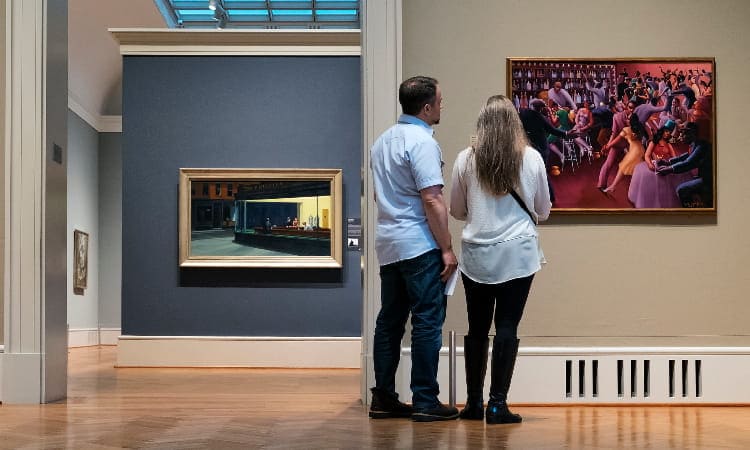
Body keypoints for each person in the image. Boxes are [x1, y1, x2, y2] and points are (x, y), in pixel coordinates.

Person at [450, 95, 551, 424]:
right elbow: (544, 210)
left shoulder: (466, 159)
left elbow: (457, 210)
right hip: (518, 253)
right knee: (507, 325)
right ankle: (497, 404)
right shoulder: (532, 158)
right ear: (515, 125)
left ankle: (473, 404)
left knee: (476, 328)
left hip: (476, 254)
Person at [369, 76, 459, 422]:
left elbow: (380, 196)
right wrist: (447, 248)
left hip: (388, 243)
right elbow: (432, 198)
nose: (441, 105)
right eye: (439, 100)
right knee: (426, 321)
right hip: (418, 244)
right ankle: (425, 399)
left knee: (389, 322)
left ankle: (384, 397)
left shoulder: (382, 142)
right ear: (426, 107)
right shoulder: (422, 142)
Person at [518, 99, 568, 202]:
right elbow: (552, 130)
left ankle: (532, 197)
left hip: (530, 146)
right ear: (540, 108)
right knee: (542, 172)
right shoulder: (540, 117)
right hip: (541, 147)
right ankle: (551, 197)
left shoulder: (523, 113)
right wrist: (566, 134)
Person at [656, 121, 713, 207]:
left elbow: (688, 163)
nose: (680, 136)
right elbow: (685, 156)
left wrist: (670, 169)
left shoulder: (701, 146)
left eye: (683, 134)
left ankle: (692, 212)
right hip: (704, 176)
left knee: (681, 190)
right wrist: (668, 162)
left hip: (708, 180)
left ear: (691, 134)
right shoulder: (695, 143)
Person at [601, 114, 647, 194]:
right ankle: (613, 186)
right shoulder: (640, 127)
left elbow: (616, 140)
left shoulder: (626, 129)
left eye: (628, 119)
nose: (626, 120)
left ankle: (614, 187)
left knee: (625, 168)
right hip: (641, 150)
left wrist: (607, 147)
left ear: (631, 121)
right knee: (627, 169)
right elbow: (646, 137)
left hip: (634, 152)